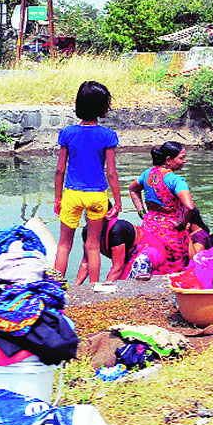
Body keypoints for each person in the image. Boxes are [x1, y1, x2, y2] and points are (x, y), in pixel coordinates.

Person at [54, 81, 122, 284]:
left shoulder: (67, 133)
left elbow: (60, 170)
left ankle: (55, 288)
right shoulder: (108, 135)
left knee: (64, 245)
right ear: (102, 107)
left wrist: (57, 198)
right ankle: (94, 289)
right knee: (93, 245)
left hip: (72, 193)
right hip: (97, 195)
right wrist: (118, 203)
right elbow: (112, 173)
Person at [128, 141, 195, 274]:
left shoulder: (148, 173)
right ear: (168, 160)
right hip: (171, 230)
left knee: (153, 260)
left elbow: (132, 189)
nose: (185, 161)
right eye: (181, 158)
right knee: (174, 266)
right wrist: (182, 225)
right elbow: (190, 207)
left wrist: (141, 211)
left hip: (149, 226)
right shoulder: (176, 180)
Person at [78, 206, 141, 284]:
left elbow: (118, 268)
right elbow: (86, 263)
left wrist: (104, 287)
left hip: (143, 249)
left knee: (128, 280)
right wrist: (75, 286)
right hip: (124, 258)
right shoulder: (87, 231)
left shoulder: (116, 231)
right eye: (88, 215)